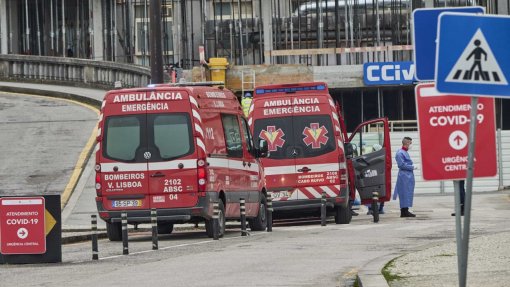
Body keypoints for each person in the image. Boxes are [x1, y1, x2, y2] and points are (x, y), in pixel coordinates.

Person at [393, 136, 417, 217]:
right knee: (404, 193)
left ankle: (405, 211)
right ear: (407, 143)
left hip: (408, 175)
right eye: (410, 143)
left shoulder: (405, 152)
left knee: (407, 193)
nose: (411, 145)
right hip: (404, 176)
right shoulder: (400, 153)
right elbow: (401, 165)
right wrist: (412, 167)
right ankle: (404, 211)